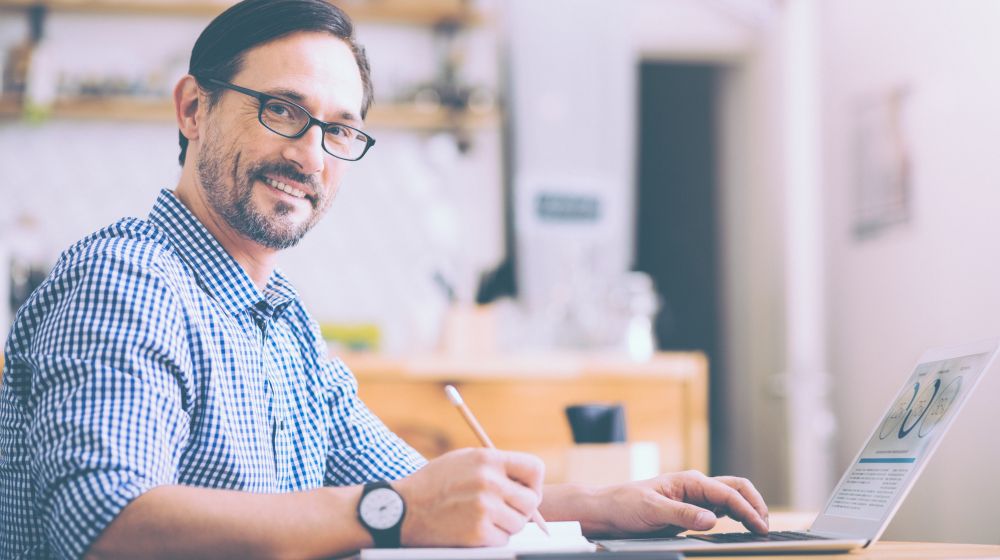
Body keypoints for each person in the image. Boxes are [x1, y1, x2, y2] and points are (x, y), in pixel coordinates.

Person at [0, 1, 769, 558]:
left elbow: (421, 489)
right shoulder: (126, 279)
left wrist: (606, 506)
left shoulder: (279, 320)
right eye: (281, 110)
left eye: (339, 129)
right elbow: (104, 526)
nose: (311, 155)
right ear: (193, 108)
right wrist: (389, 510)